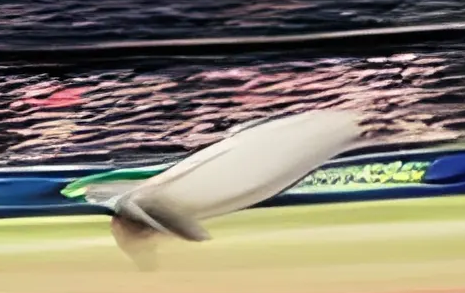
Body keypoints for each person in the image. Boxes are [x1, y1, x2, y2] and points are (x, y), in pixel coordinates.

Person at [84, 108, 362, 262]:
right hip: (257, 166)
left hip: (257, 164)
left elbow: (190, 231)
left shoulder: (141, 201)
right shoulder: (151, 201)